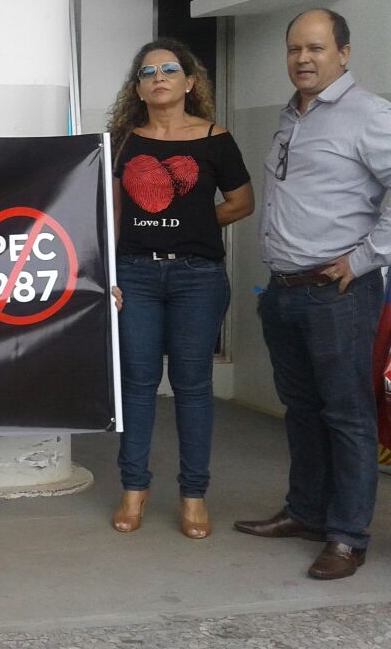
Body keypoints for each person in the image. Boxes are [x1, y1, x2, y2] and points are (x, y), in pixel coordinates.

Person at [234, 8, 391, 580]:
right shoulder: (291, 115)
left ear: (344, 53)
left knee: (347, 416)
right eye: (295, 48)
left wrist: (364, 257)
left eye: (317, 48)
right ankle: (305, 512)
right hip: (284, 291)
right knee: (301, 411)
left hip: (338, 293)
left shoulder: (370, 115)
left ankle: (347, 536)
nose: (303, 58)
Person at [105, 38, 253, 539]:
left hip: (198, 277)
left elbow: (242, 202)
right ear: (138, 88)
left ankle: (194, 495)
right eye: (148, 73)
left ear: (190, 82)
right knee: (137, 383)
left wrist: (196, 225)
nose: (159, 78)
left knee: (192, 386)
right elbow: (114, 214)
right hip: (136, 275)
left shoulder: (215, 138)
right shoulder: (124, 142)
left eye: (170, 70)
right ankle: (134, 488)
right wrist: (109, 274)